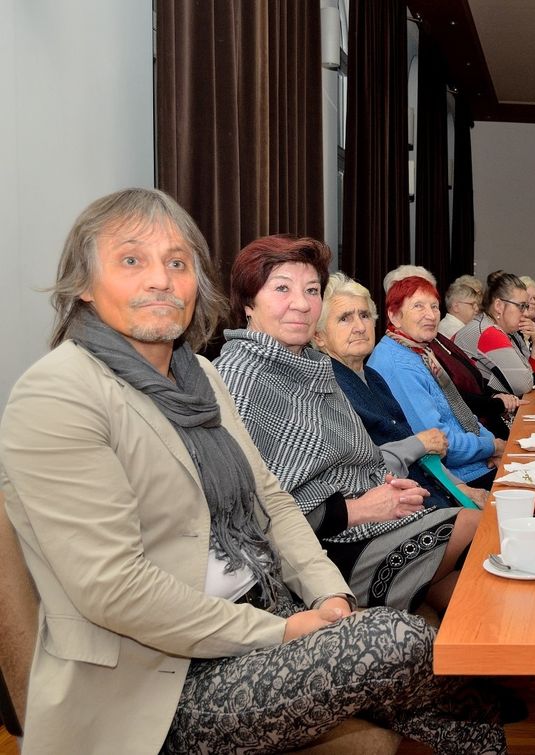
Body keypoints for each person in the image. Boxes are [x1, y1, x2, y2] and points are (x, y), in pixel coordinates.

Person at [0, 188, 505, 753]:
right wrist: (281, 632)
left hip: (265, 602)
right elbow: (113, 590)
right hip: (162, 681)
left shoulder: (200, 378)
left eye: (177, 262)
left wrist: (327, 595)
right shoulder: (57, 396)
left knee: (421, 666)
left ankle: (482, 734)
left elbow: (272, 499)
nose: (161, 280)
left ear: (198, 284)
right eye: (131, 260)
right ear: (85, 286)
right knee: (401, 642)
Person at [215, 235, 478, 613]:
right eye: (281, 289)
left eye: (311, 290)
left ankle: (500, 662)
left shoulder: (312, 366)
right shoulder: (240, 377)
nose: (301, 304)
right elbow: (255, 510)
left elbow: (356, 459)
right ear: (247, 303)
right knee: (479, 529)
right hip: (326, 550)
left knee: (467, 590)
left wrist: (387, 487)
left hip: (373, 519)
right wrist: (362, 508)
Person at [314, 272, 489, 509]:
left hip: (434, 486)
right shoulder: (329, 388)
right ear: (318, 336)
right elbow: (367, 468)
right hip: (397, 505)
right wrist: (490, 448)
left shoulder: (373, 377)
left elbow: (417, 443)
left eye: (364, 315)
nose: (359, 327)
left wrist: (459, 488)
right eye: (345, 318)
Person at [369, 275, 507, 491]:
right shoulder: (398, 363)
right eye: (418, 306)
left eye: (434, 306)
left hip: (475, 462)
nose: (430, 315)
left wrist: (493, 445)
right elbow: (441, 444)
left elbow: (459, 413)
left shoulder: (419, 352)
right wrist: (491, 447)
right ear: (394, 316)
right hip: (457, 479)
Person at [454, 270, 535, 396]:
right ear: (499, 306)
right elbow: (525, 385)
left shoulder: (508, 332)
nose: (525, 313)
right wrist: (528, 370)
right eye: (521, 306)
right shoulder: (489, 332)